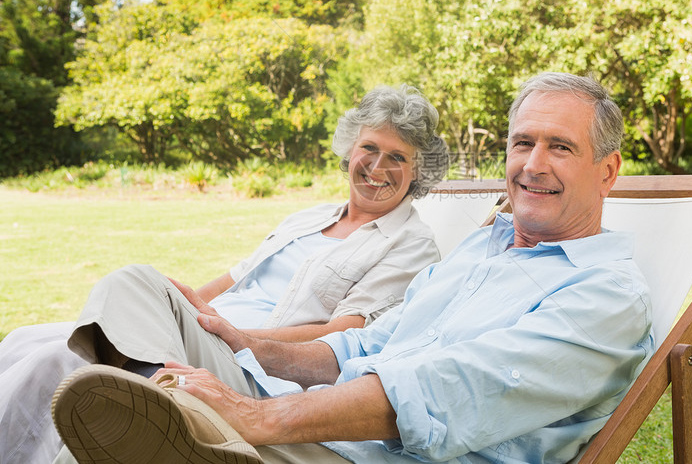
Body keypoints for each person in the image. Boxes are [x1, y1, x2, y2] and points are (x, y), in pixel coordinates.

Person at [52, 72, 656, 464]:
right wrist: (252, 346)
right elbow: (364, 343)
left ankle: (181, 424)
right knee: (135, 286)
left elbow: (445, 394)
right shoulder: (483, 248)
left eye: (561, 147)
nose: (533, 164)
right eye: (523, 143)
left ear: (607, 172)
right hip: (304, 423)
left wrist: (257, 416)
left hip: (371, 456)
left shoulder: (605, 296)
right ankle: (174, 412)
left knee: (104, 432)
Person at [0, 85, 448, 464]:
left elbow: (343, 334)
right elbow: (231, 280)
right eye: (370, 148)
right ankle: (155, 386)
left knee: (117, 299)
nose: (377, 168)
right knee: (33, 346)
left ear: (417, 173)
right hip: (202, 332)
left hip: (252, 363)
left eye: (397, 158)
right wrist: (176, 303)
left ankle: (160, 393)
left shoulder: (410, 242)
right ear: (350, 149)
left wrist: (233, 334)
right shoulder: (308, 217)